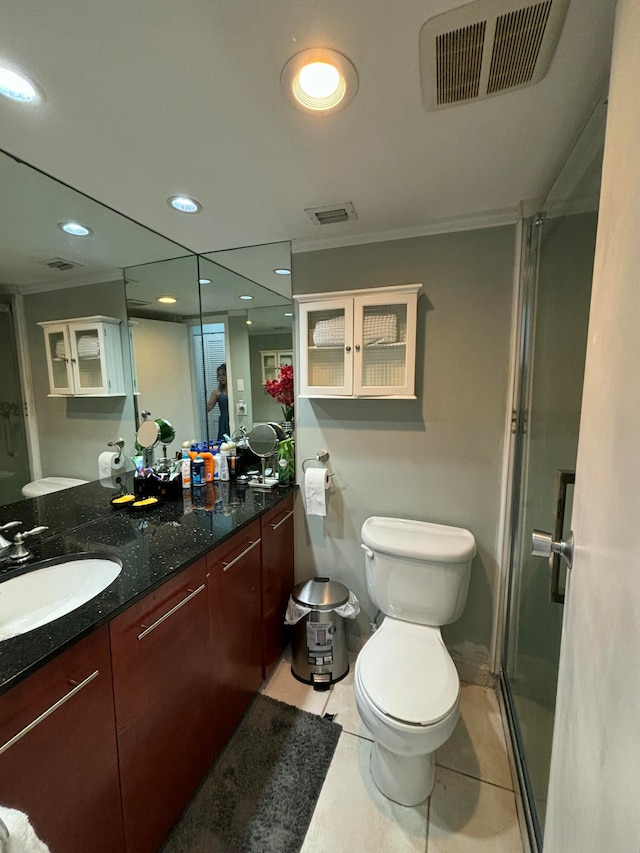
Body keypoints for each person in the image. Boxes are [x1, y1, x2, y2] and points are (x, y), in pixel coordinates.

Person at [206, 363, 230, 441]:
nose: (221, 377)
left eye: (223, 374)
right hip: (223, 421)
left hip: (233, 419)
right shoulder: (217, 392)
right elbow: (208, 408)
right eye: (219, 375)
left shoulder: (234, 391)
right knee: (223, 445)